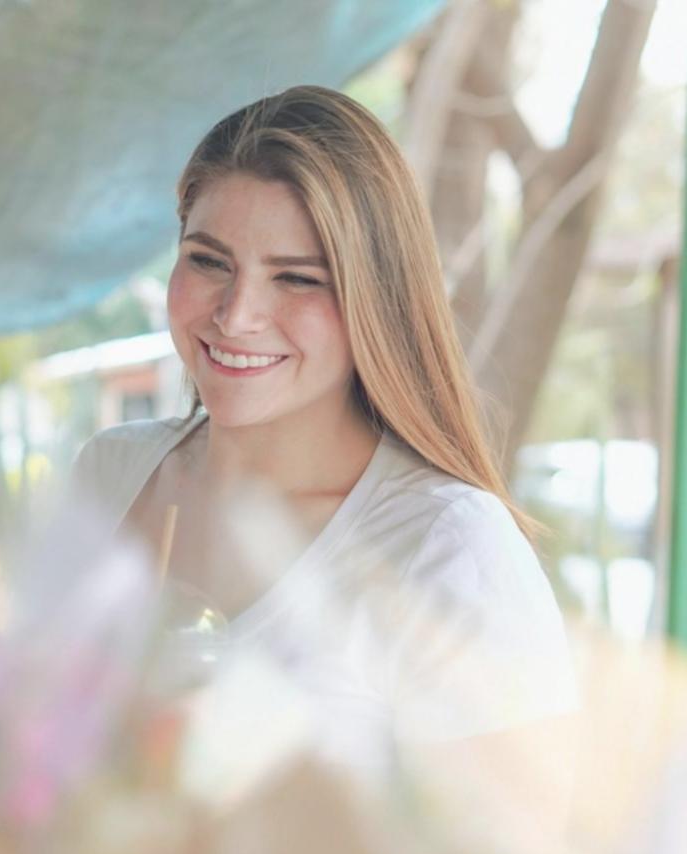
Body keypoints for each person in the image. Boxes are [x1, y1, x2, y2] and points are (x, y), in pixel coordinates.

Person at [74, 86, 579, 804]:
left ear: (376, 300)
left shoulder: (447, 551)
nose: (236, 314)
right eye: (209, 261)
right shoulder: (109, 473)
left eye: (297, 278)